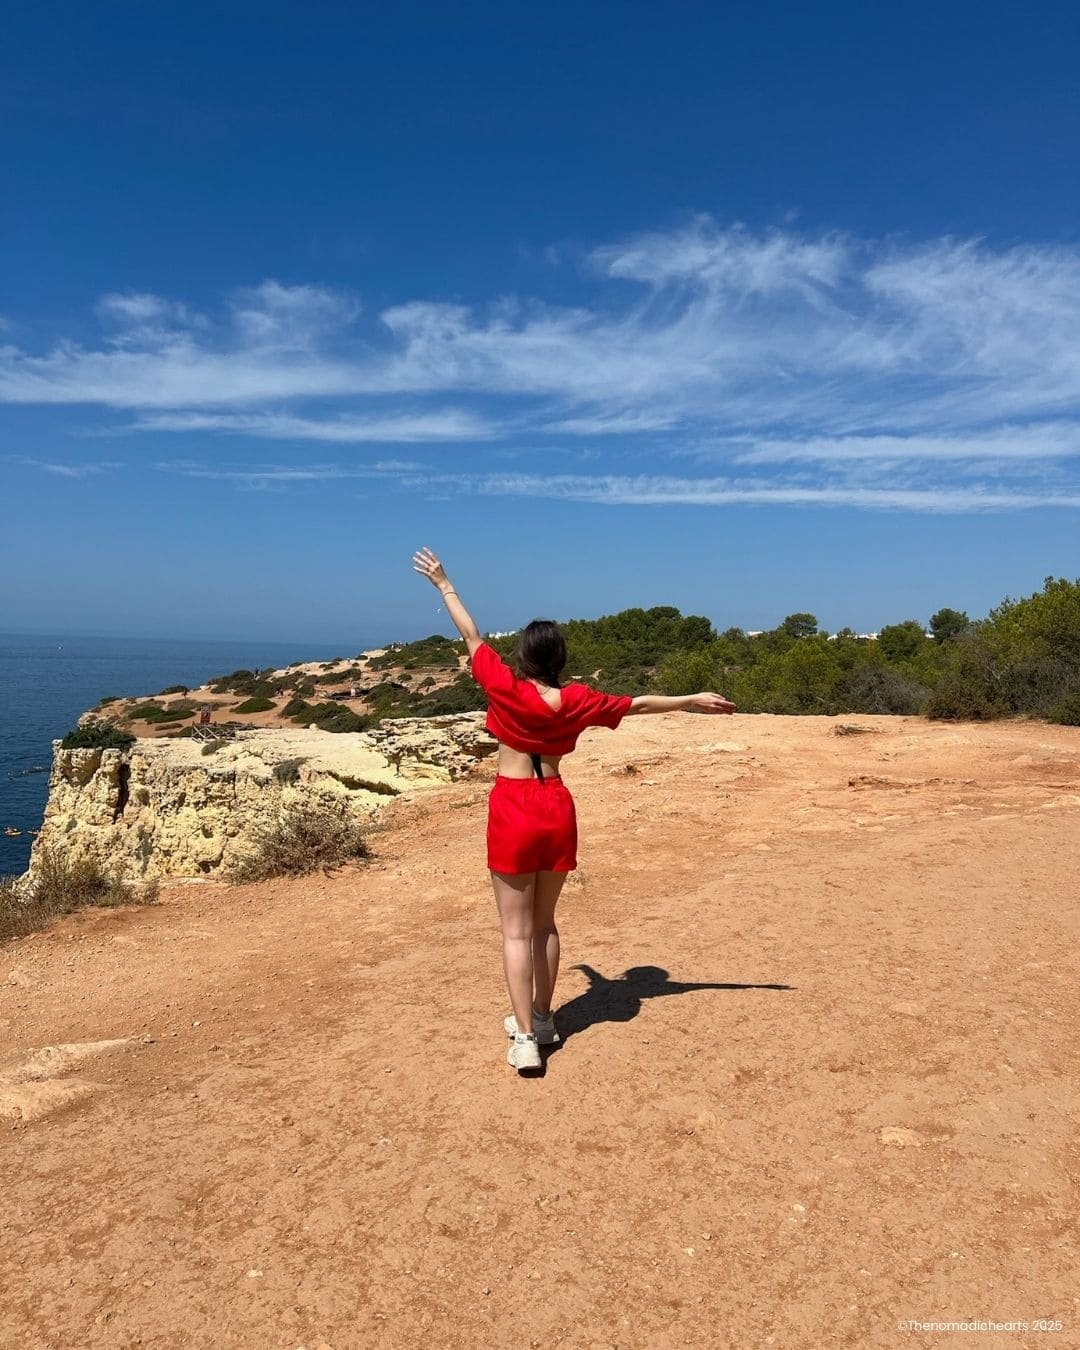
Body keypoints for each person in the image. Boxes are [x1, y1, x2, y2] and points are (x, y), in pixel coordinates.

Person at [411, 546, 736, 1074]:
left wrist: (444, 583)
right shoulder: (581, 700)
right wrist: (689, 698)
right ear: (561, 662)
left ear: (522, 658)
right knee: (544, 923)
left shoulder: (503, 685)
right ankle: (542, 1017)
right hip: (557, 804)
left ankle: (524, 1040)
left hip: (513, 806)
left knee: (514, 932)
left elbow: (471, 635)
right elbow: (638, 703)